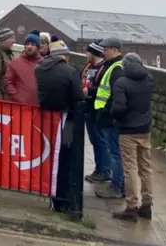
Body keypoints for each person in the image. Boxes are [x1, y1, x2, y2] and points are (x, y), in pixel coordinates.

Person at [35, 35, 84, 212]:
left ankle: (49, 194)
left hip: (44, 119)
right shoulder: (70, 72)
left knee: (47, 156)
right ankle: (63, 199)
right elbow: (78, 97)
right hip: (65, 120)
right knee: (64, 160)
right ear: (63, 55)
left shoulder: (39, 69)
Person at [110, 52, 154, 222]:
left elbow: (119, 107)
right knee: (146, 167)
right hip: (145, 129)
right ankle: (147, 205)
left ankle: (131, 206)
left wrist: (114, 116)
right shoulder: (149, 79)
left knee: (130, 168)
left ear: (125, 65)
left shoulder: (122, 82)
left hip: (127, 130)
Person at [93, 36, 125, 199]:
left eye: (106, 50)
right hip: (106, 116)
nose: (104, 52)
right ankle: (119, 185)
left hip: (110, 118)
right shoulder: (111, 66)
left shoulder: (116, 68)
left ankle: (116, 186)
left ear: (114, 49)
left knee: (115, 153)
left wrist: (107, 113)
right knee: (115, 152)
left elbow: (115, 94)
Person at [81, 40, 111, 183]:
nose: (86, 54)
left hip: (97, 109)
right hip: (86, 107)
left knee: (100, 141)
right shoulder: (88, 66)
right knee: (94, 140)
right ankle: (98, 169)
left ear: (93, 53)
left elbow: (104, 87)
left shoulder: (103, 68)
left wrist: (89, 90)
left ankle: (104, 170)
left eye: (88, 52)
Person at [4, 30, 43, 105]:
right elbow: (8, 82)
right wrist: (17, 97)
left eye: (33, 44)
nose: (29, 47)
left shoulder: (43, 63)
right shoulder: (15, 63)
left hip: (38, 107)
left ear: (38, 47)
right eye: (27, 44)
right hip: (20, 107)